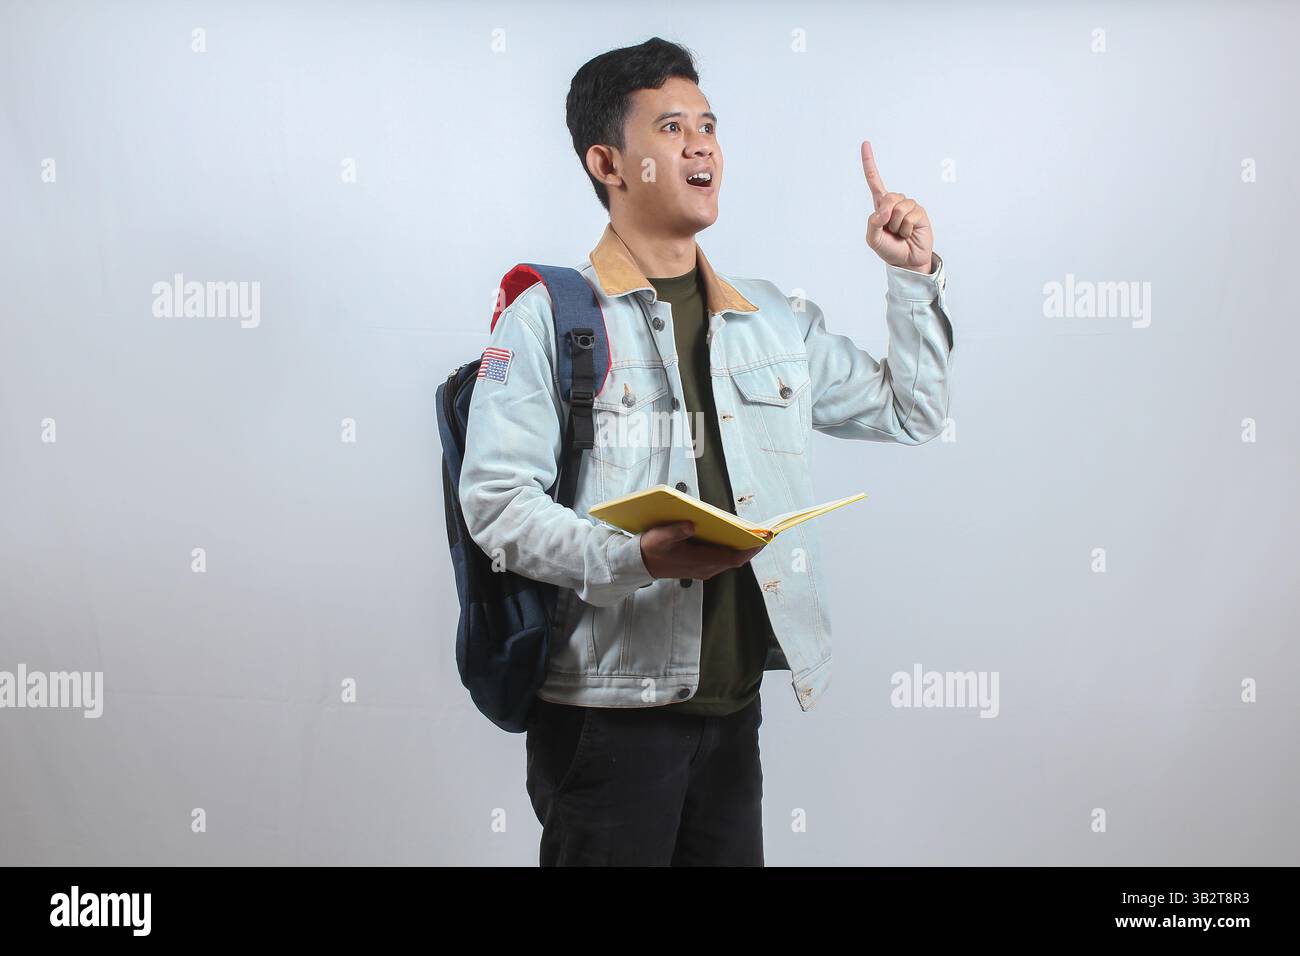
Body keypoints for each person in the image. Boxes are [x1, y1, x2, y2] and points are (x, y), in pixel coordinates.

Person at [458, 37, 954, 866]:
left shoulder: (771, 317)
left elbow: (913, 412)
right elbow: (498, 507)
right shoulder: (549, 318)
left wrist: (914, 276)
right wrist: (637, 558)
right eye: (672, 126)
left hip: (733, 709)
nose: (701, 146)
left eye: (710, 126)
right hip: (606, 718)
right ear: (608, 162)